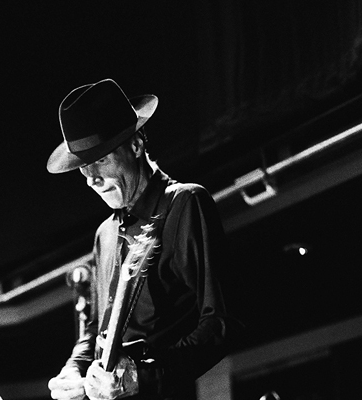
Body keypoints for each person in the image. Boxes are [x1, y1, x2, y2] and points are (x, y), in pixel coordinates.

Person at [46, 79, 243, 400]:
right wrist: (74, 367)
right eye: (83, 165)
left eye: (100, 160)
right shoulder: (105, 234)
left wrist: (144, 376)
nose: (91, 179)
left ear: (135, 146)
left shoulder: (185, 204)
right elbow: (97, 327)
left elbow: (223, 322)